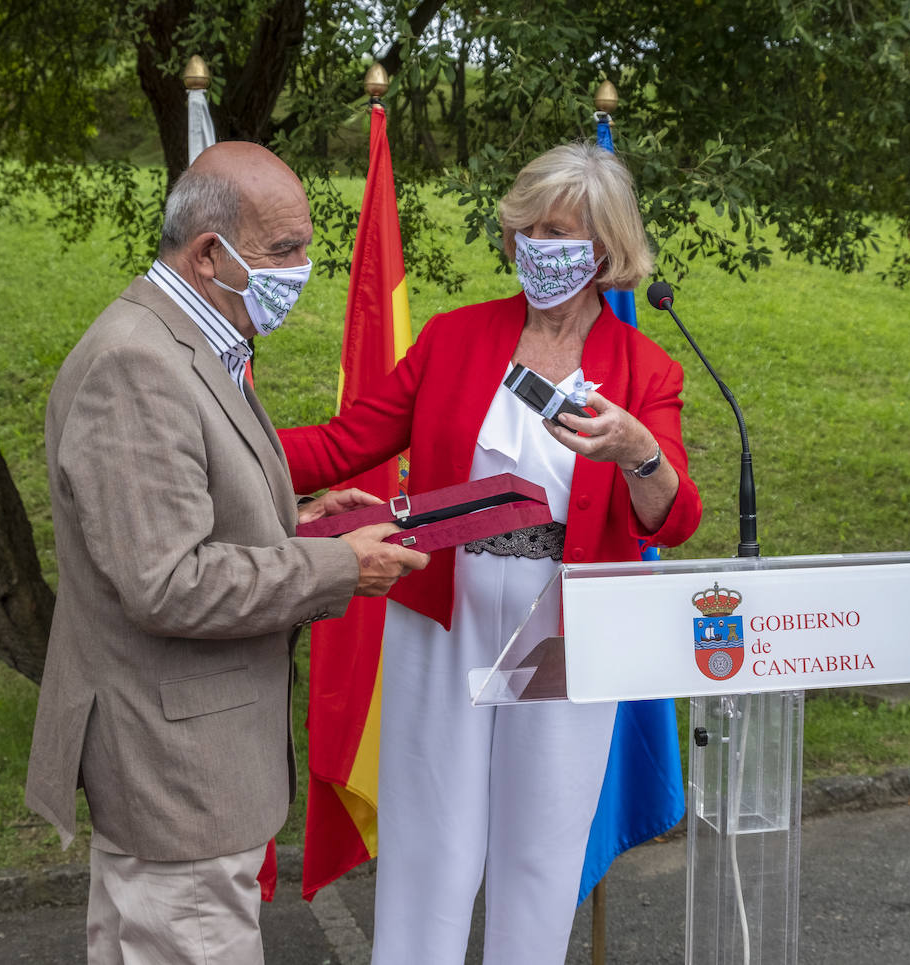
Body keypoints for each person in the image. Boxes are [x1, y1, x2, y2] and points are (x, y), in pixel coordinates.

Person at [279, 141, 703, 964]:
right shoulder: (453, 338)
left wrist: (636, 448)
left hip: (568, 627)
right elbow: (342, 443)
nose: (542, 246)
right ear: (511, 237)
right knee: (429, 842)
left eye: (565, 233)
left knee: (540, 848)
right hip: (446, 608)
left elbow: (675, 516)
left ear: (607, 252)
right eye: (531, 228)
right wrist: (219, 439)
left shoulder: (644, 368)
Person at [24, 141, 428, 964]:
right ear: (211, 253)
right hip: (176, 775)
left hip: (197, 764)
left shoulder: (196, 339)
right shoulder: (138, 362)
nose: (305, 267)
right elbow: (168, 581)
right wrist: (341, 566)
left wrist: (303, 513)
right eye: (285, 249)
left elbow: (191, 511)